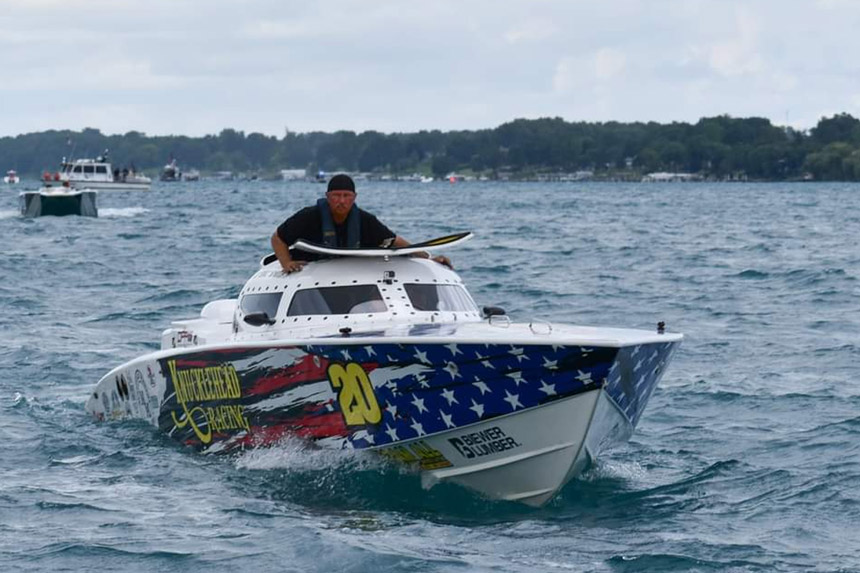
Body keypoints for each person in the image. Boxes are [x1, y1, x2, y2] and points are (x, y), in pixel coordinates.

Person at [271, 173, 452, 273]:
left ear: (354, 198)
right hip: (312, 267)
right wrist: (286, 263)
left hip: (350, 269)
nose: (341, 201)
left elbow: (395, 242)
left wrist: (429, 259)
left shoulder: (365, 220)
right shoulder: (308, 216)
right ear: (327, 197)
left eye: (346, 196)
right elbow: (277, 238)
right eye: (336, 196)